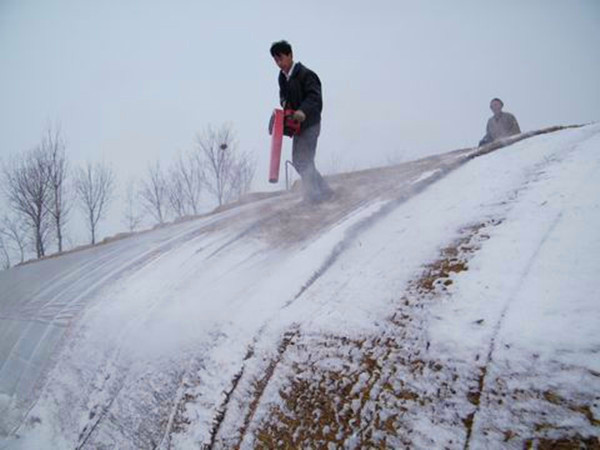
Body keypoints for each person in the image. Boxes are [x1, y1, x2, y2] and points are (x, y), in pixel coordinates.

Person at [270, 40, 333, 204]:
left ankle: (313, 195)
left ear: (290, 55)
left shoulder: (306, 75)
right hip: (297, 127)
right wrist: (281, 118)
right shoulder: (282, 78)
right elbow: (284, 99)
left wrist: (302, 112)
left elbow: (314, 98)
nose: (279, 63)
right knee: (299, 161)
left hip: (310, 124)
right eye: (276, 60)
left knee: (304, 160)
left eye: (281, 58)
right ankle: (324, 191)